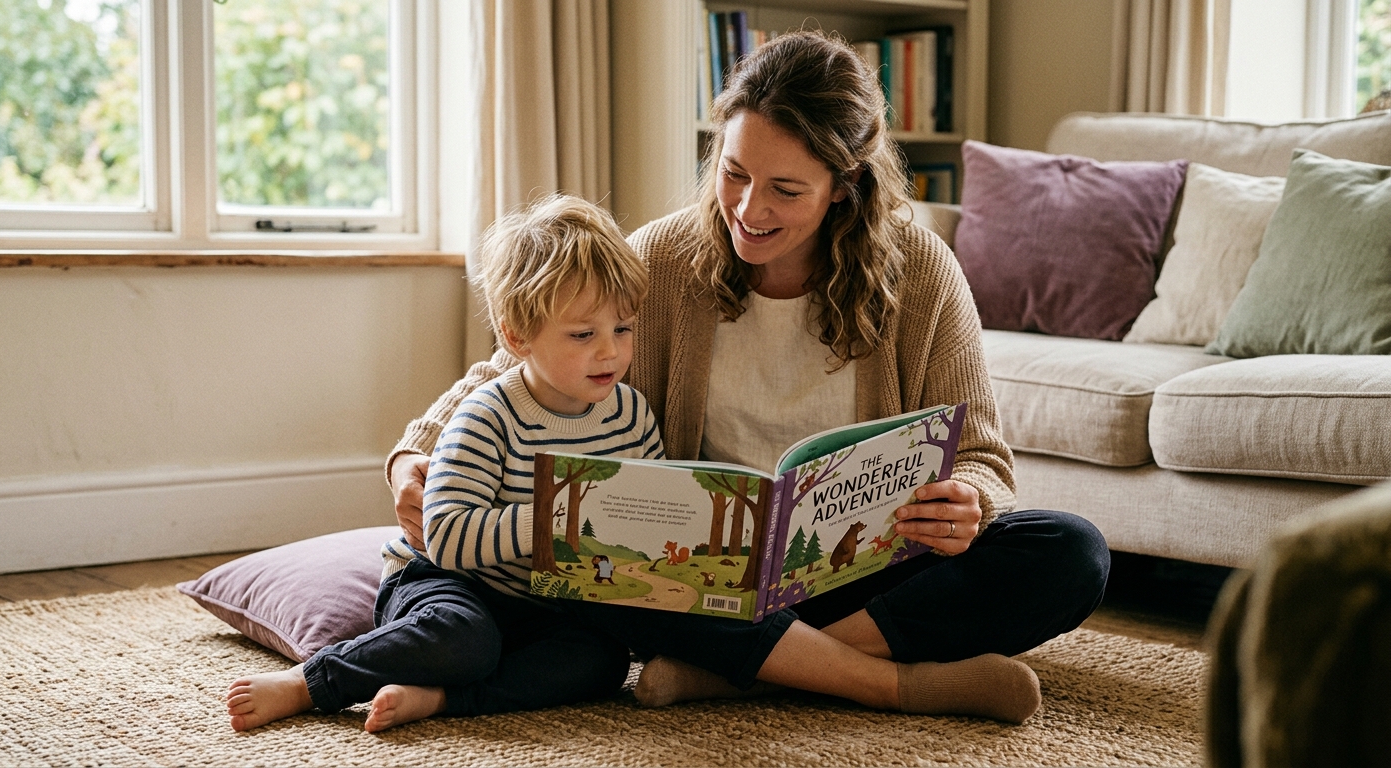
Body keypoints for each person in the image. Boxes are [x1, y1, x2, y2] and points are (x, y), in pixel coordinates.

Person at [388, 31, 1110, 724]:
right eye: (734, 173)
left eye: (785, 190)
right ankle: (883, 683)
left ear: (844, 185)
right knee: (595, 556)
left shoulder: (920, 272)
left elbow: (982, 457)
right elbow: (519, 362)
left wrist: (968, 505)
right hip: (696, 580)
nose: (748, 209)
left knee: (1071, 552)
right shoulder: (666, 258)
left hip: (856, 573)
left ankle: (738, 673)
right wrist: (412, 454)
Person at [226, 194, 665, 733]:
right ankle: (310, 682)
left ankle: (440, 700)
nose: (611, 352)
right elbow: (448, 537)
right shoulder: (488, 415)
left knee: (600, 661)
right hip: (448, 582)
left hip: (546, 602)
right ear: (516, 336)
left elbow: (647, 515)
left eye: (623, 329)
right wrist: (556, 519)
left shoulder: (632, 416)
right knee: (463, 637)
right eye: (583, 334)